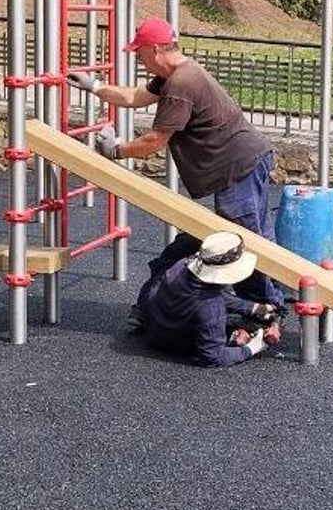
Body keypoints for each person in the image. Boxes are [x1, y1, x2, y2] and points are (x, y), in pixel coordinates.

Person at [67, 17, 283, 311]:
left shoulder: (181, 84)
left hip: (238, 165)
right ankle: (275, 296)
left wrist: (116, 150)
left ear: (155, 50)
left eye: (139, 52)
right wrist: (95, 86)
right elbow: (133, 96)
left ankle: (267, 308)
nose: (138, 58)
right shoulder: (176, 73)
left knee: (241, 240)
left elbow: (156, 140)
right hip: (246, 159)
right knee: (259, 238)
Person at [138, 231, 279, 367]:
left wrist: (249, 307)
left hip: (155, 315)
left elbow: (203, 291)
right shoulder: (211, 308)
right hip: (171, 342)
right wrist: (252, 348)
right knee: (231, 333)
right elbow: (213, 356)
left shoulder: (183, 265)